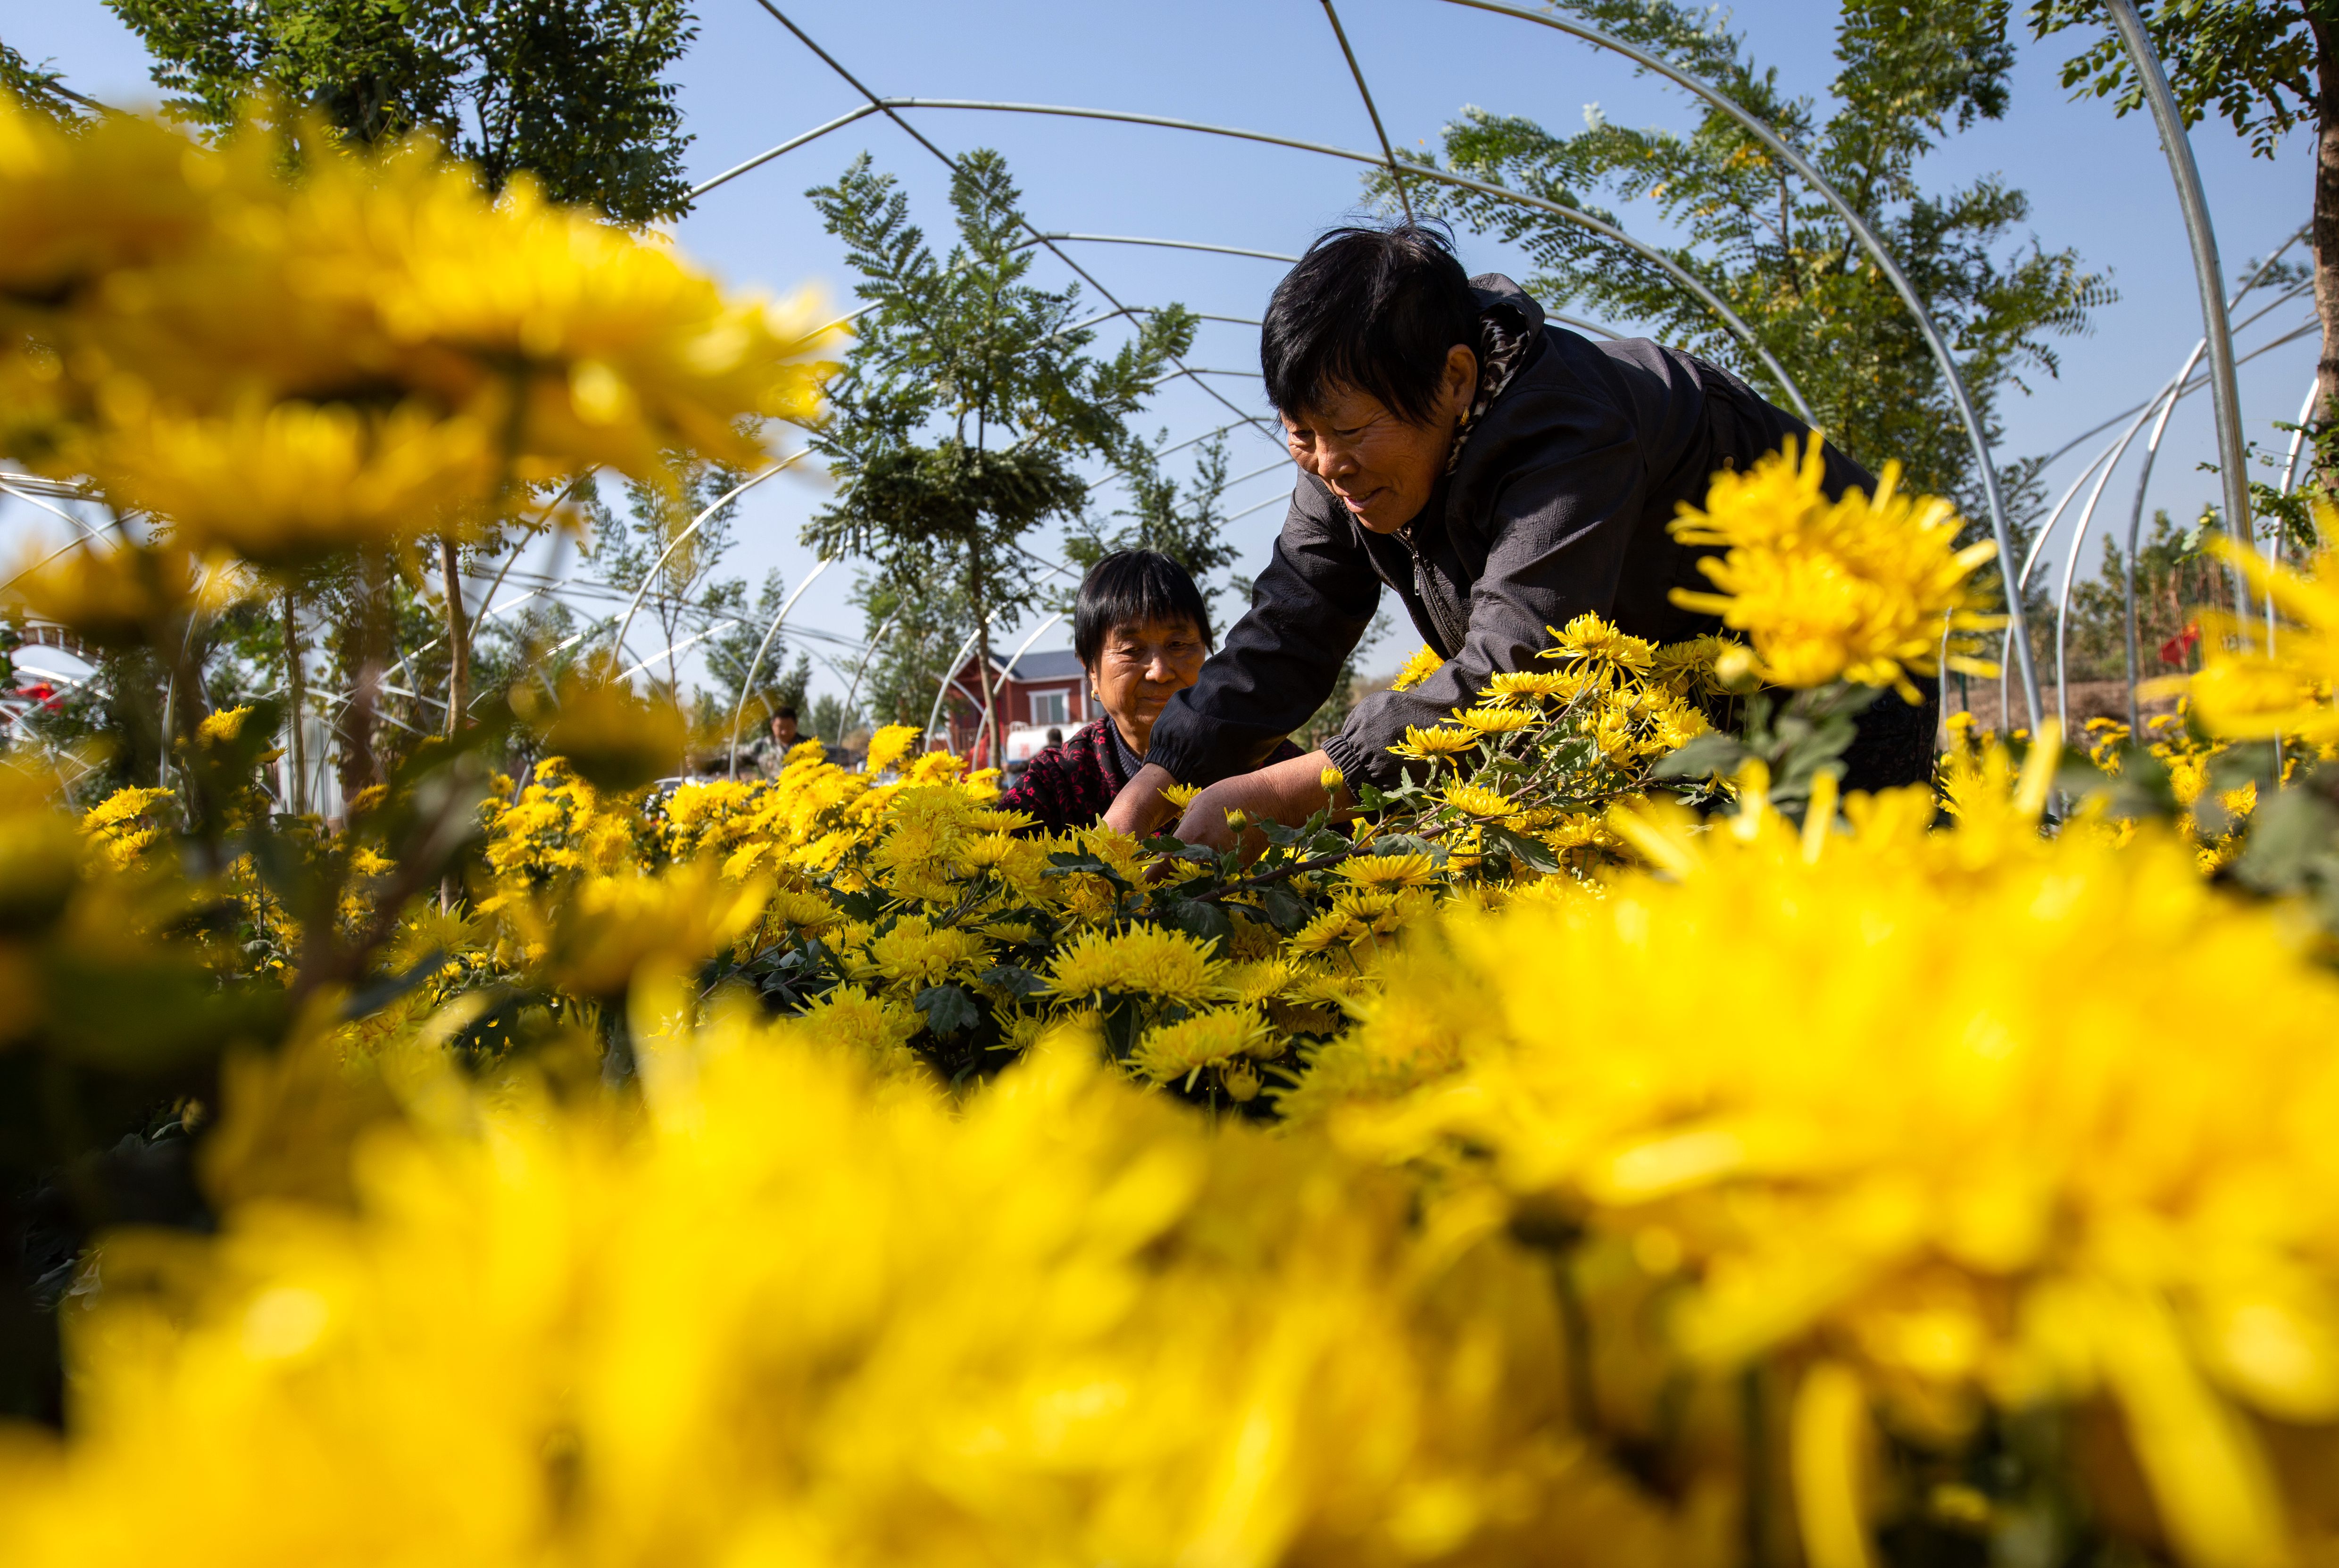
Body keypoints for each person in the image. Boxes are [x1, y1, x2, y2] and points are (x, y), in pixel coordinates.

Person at [1105, 222, 1935, 846]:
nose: (1325, 463)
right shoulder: (1344, 451)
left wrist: (1299, 788)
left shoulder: (1571, 429)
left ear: (1455, 379)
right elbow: (1292, 622)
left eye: (1347, 431)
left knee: (1827, 910)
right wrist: (1169, 764)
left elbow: (1521, 660)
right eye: (1298, 432)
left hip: (1841, 646)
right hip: (1680, 684)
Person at [1001, 551, 1298, 835]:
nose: (1160, 671)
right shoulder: (1057, 782)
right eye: (1132, 650)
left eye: (1178, 645)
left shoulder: (1269, 763)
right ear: (1092, 669)